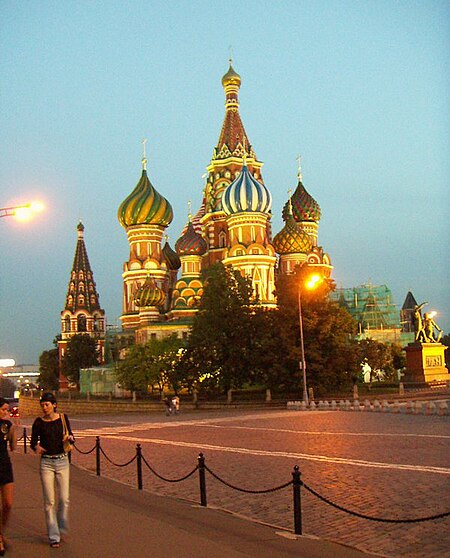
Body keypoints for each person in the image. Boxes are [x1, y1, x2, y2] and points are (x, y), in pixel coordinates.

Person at [30, 393, 74, 549]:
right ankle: (54, 536)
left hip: (62, 461)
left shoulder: (62, 418)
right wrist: (37, 447)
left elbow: (71, 435)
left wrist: (69, 439)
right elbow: (33, 441)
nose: (44, 407)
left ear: (54, 405)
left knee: (64, 498)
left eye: (47, 404)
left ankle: (61, 527)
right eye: (42, 405)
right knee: (49, 501)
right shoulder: (39, 422)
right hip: (47, 462)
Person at [0, 398, 17, 556]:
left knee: (8, 504)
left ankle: (1, 531)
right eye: (4, 409)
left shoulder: (8, 426)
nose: (7, 412)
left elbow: (13, 447)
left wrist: (13, 430)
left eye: (7, 410)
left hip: (4, 466)